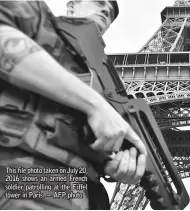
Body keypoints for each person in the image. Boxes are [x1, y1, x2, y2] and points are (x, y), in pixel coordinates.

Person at [0, 0, 147, 209]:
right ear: (71, 5)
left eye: (112, 12)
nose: (107, 9)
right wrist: (95, 105)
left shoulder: (103, 77)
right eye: (99, 2)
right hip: (24, 174)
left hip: (82, 191)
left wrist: (114, 162)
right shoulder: (34, 11)